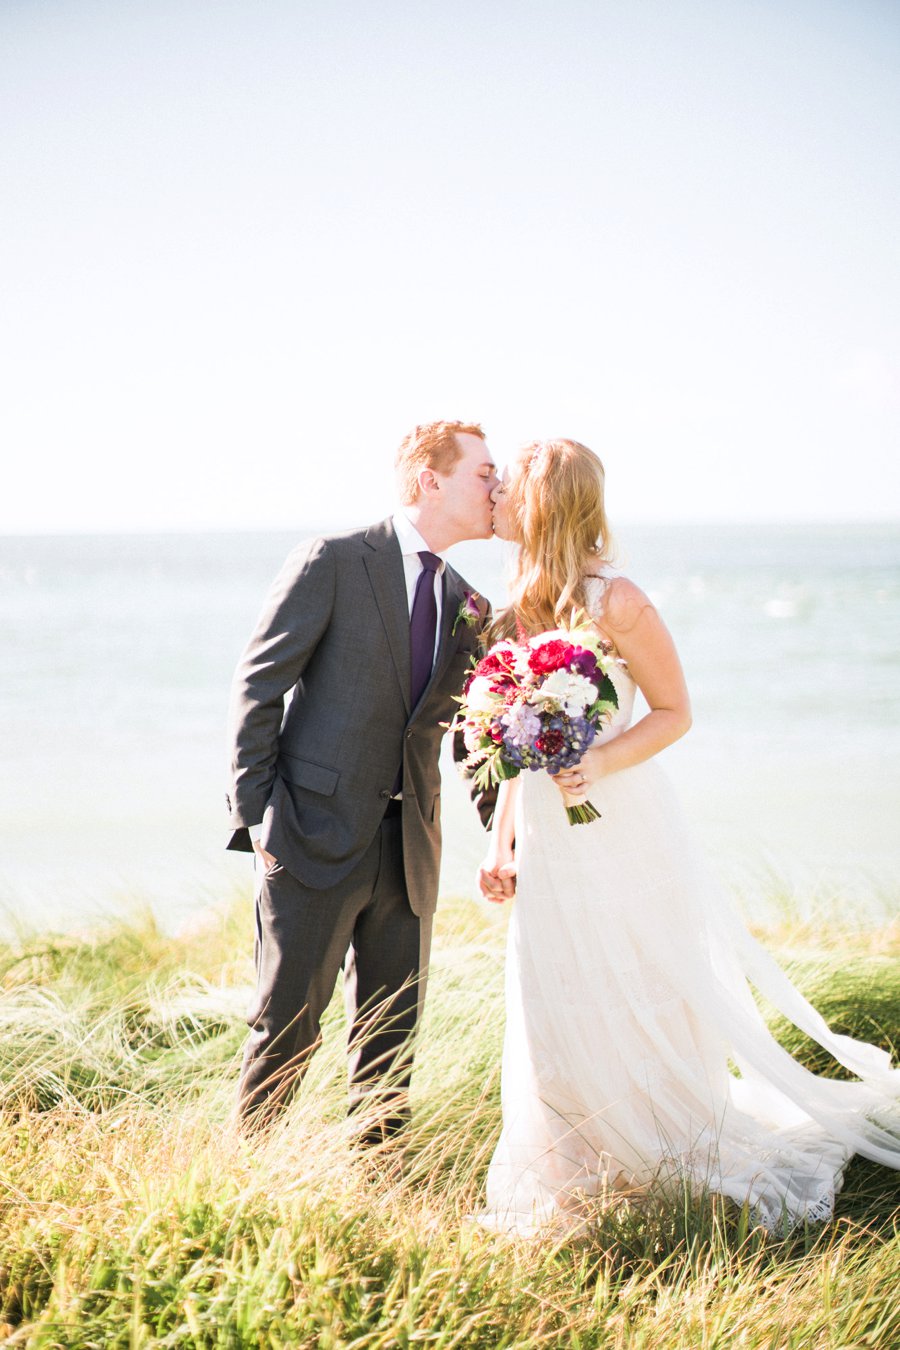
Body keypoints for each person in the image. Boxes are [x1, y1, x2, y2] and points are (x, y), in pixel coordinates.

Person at [477, 438, 900, 1233]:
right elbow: (516, 744)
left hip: (619, 827)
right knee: (551, 992)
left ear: (540, 505)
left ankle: (661, 1150)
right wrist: (499, 840)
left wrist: (600, 763)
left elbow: (676, 712)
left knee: (635, 983)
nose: (493, 494)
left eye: (507, 488)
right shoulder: (520, 608)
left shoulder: (620, 601)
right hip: (545, 833)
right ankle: (572, 1169)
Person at [227, 420, 496, 1140]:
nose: (498, 489)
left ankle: (379, 1194)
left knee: (390, 1045)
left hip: (408, 857)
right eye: (484, 474)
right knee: (286, 1029)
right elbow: (260, 684)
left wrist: (513, 839)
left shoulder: (473, 606)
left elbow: (475, 738)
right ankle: (243, 1179)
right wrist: (258, 817)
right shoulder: (336, 560)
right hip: (311, 840)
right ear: (430, 480)